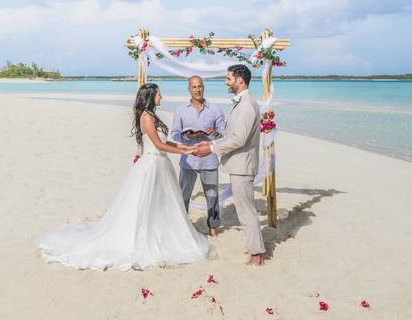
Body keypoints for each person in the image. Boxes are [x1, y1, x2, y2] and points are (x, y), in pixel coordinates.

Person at [37, 83, 211, 270]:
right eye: (159, 94)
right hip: (152, 164)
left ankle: (161, 232)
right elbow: (158, 145)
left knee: (161, 203)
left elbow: (163, 141)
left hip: (161, 163)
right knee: (145, 202)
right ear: (151, 96)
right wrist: (186, 153)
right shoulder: (146, 117)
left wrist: (186, 148)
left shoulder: (152, 115)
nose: (162, 97)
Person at [193, 65, 265, 265]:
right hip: (239, 165)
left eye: (228, 79)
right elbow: (233, 135)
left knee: (246, 210)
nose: (226, 82)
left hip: (243, 166)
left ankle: (257, 255)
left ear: (240, 80)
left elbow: (239, 139)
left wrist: (212, 148)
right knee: (245, 208)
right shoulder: (242, 103)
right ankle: (254, 248)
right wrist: (212, 141)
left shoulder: (247, 104)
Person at [170, 75, 225, 236]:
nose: (197, 89)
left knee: (212, 195)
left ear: (204, 87)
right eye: (194, 87)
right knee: (184, 194)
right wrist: (188, 137)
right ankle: (181, 226)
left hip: (209, 160)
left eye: (200, 86)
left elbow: (224, 136)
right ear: (189, 89)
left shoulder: (215, 109)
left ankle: (213, 227)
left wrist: (215, 133)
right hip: (189, 160)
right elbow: (174, 134)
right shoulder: (181, 110)